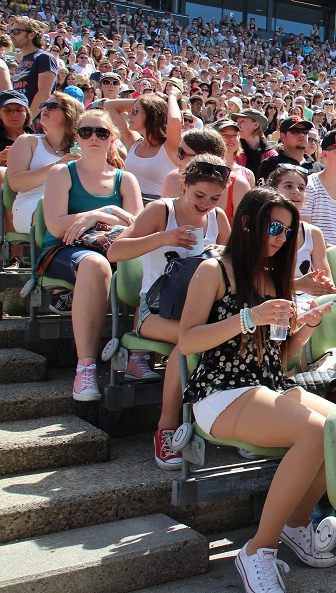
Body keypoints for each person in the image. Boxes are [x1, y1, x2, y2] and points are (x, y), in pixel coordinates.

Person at [178, 188, 336, 592]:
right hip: (220, 392)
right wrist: (248, 317)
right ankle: (257, 550)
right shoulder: (214, 270)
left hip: (267, 385)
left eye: (288, 231)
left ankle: (296, 525)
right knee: (315, 431)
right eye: (275, 227)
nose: (281, 238)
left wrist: (308, 327)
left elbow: (278, 357)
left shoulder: (272, 276)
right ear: (248, 222)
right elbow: (188, 341)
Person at [108, 155, 232, 469]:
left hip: (199, 311)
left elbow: (237, 264)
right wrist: (164, 238)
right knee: (190, 341)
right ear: (184, 184)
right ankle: (165, 427)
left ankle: (222, 420)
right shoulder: (161, 210)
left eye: (215, 198)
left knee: (218, 335)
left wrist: (222, 254)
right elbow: (115, 251)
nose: (206, 204)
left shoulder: (218, 218)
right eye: (199, 196)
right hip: (155, 313)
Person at [42, 111, 142, 399]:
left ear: (112, 138)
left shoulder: (125, 179)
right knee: (95, 264)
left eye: (101, 132)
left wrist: (105, 212)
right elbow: (57, 225)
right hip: (63, 250)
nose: (94, 137)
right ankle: (85, 367)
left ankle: (139, 355)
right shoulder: (63, 172)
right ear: (77, 138)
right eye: (86, 132)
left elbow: (137, 225)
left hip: (109, 248)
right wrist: (98, 213)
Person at [6, 90, 78, 234]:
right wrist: (57, 166)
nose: (44, 109)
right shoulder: (27, 141)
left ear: (68, 113)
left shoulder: (79, 147)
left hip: (68, 204)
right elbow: (16, 183)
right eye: (44, 105)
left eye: (51, 106)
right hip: (32, 204)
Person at [268, 166, 335, 299]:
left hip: (310, 306)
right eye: (288, 186)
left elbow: (327, 279)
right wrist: (298, 284)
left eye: (301, 188)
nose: (296, 192)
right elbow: (256, 284)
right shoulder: (264, 228)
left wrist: (325, 285)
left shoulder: (313, 233)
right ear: (273, 191)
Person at [103, 92, 183, 200]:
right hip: (131, 207)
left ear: (151, 114)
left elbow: (174, 120)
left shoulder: (169, 146)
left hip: (159, 211)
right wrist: (143, 100)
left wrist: (172, 96)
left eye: (135, 111)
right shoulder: (133, 143)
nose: (129, 115)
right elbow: (109, 106)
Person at [7, 17, 57, 116]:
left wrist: (27, 121)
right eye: (11, 32)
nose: (12, 35)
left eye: (16, 31)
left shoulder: (44, 57)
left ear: (31, 34)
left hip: (35, 120)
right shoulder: (23, 60)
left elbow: (44, 93)